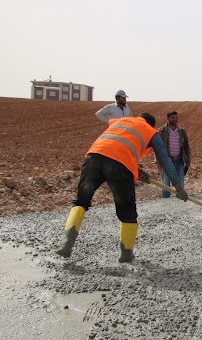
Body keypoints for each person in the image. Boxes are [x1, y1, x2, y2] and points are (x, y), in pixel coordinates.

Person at [56, 113, 189, 263]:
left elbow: (117, 146)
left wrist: (136, 170)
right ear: (150, 124)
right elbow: (164, 159)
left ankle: (66, 244)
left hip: (93, 158)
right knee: (127, 211)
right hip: (119, 166)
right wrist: (178, 186)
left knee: (81, 201)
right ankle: (126, 254)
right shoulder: (150, 131)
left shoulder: (121, 122)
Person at [157, 110, 191, 199]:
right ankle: (165, 203)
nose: (175, 119)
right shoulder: (162, 131)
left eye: (176, 117)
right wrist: (157, 161)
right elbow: (157, 147)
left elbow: (186, 146)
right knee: (166, 184)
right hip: (167, 161)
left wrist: (188, 160)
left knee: (180, 184)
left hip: (179, 160)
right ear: (167, 118)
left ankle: (179, 203)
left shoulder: (181, 131)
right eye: (173, 118)